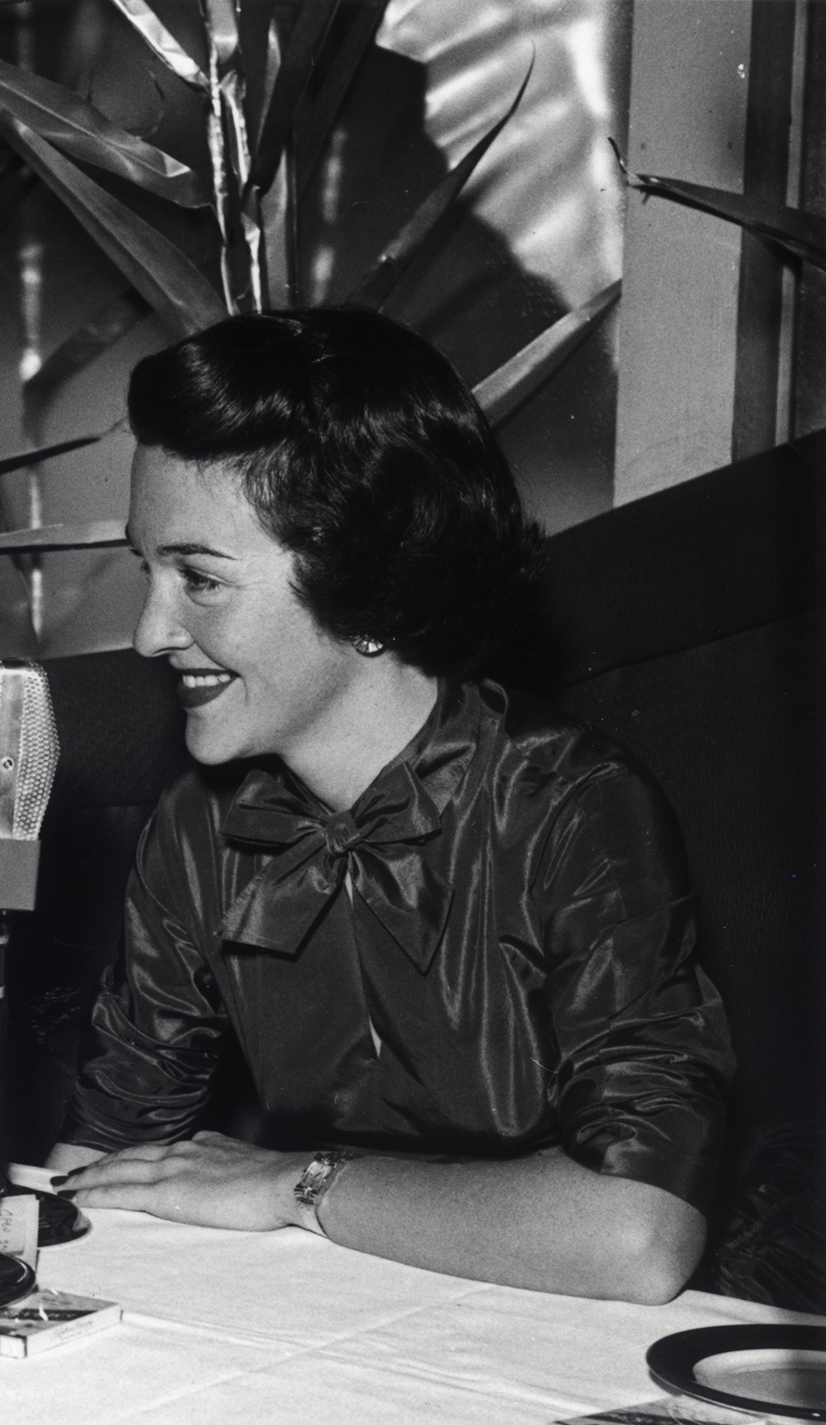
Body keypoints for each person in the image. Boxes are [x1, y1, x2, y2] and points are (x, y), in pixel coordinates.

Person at [49, 309, 731, 1303]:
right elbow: (101, 1157)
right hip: (326, 1313)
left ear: (361, 586)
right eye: (144, 569)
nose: (150, 632)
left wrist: (298, 1183)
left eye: (198, 578)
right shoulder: (197, 822)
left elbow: (637, 1237)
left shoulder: (572, 807)